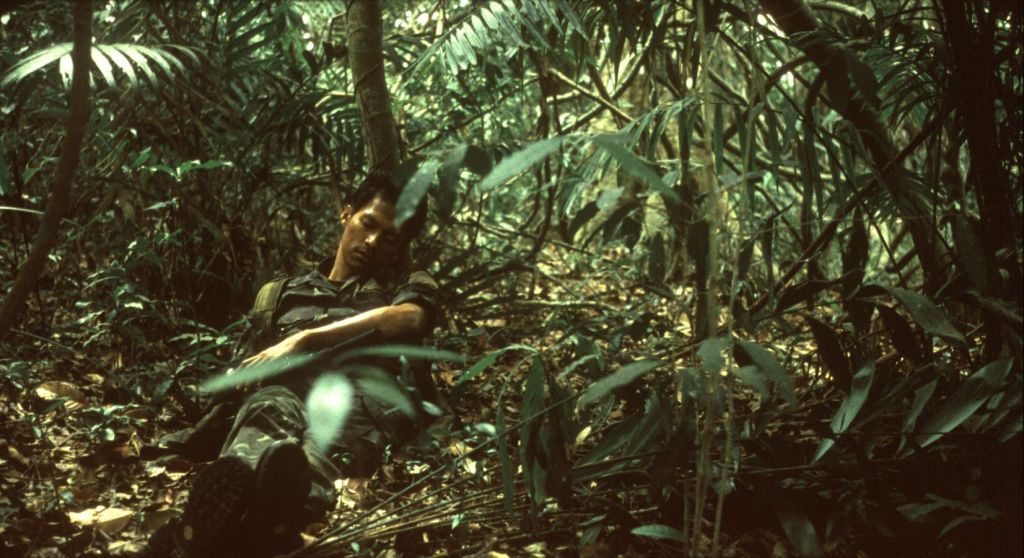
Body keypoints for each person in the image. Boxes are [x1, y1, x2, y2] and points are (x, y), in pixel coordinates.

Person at [146, 172, 441, 558]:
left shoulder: (406, 283)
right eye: (367, 224)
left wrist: (301, 339)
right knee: (263, 413)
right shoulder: (281, 293)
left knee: (309, 463)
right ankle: (239, 523)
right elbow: (248, 367)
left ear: (398, 248)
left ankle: (223, 534)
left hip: (355, 404)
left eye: (389, 237)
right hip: (281, 395)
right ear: (346, 214)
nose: (371, 242)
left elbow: (410, 318)